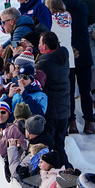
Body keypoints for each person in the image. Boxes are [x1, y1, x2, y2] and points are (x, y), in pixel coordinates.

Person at [58, 0, 95, 134]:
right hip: (84, 52)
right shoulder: (83, 7)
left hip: (68, 53)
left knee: (70, 90)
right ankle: (89, 123)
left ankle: (72, 122)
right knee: (85, 90)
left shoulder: (60, 12)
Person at [35, 31, 72, 165]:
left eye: (39, 43)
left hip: (51, 111)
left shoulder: (43, 63)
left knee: (50, 147)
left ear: (44, 47)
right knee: (60, 145)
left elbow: (37, 83)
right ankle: (66, 174)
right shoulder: (63, 56)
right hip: (64, 109)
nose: (38, 46)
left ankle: (65, 173)